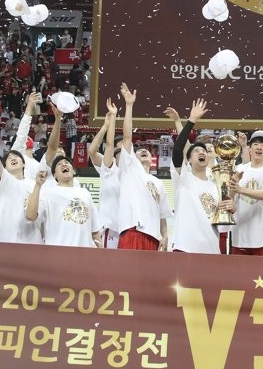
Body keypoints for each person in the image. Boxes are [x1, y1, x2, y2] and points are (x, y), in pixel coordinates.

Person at [168, 97, 235, 253]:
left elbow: (223, 221)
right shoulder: (183, 178)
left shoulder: (215, 185)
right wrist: (191, 121)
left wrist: (232, 207)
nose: (201, 152)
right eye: (196, 151)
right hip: (184, 248)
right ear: (189, 159)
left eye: (204, 151)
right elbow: (178, 150)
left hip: (211, 251)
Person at [114, 84, 172, 251]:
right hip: (133, 231)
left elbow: (162, 215)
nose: (143, 151)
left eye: (145, 150)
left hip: (154, 237)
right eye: (138, 152)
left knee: (150, 278)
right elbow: (127, 136)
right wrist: (129, 105)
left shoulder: (158, 183)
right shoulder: (129, 169)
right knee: (127, 277)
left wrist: (165, 235)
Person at [0, 109, 39, 244]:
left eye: (16, 157)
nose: (13, 158)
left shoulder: (34, 185)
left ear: (23, 164)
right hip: (5, 241)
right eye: (9, 158)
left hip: (32, 243)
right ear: (5, 167)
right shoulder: (3, 180)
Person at [24, 153, 102, 249]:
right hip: (58, 253)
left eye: (67, 163)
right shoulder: (47, 193)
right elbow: (30, 216)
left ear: (73, 171)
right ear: (55, 175)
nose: (64, 164)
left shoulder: (85, 193)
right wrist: (38, 185)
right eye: (59, 164)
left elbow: (95, 230)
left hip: (84, 254)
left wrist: (101, 253)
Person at [229, 129, 263, 255]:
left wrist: (240, 189)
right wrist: (232, 187)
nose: (259, 147)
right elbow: (230, 196)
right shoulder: (239, 169)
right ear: (250, 148)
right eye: (256, 144)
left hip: (262, 239)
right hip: (239, 236)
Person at [87, 98, 121, 248]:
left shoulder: (135, 175)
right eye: (119, 150)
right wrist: (106, 125)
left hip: (130, 230)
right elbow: (92, 151)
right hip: (110, 230)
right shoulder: (109, 167)